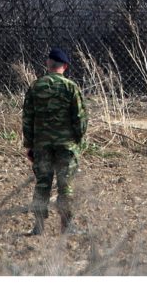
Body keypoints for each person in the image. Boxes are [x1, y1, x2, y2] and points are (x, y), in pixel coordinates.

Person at [23, 47, 87, 236]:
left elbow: (27, 118)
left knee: (42, 183)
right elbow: (80, 118)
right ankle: (67, 227)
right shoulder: (71, 87)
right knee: (65, 184)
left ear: (48, 64)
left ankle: (38, 227)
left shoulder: (36, 86)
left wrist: (29, 144)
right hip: (66, 145)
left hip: (42, 144)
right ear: (65, 66)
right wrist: (78, 140)